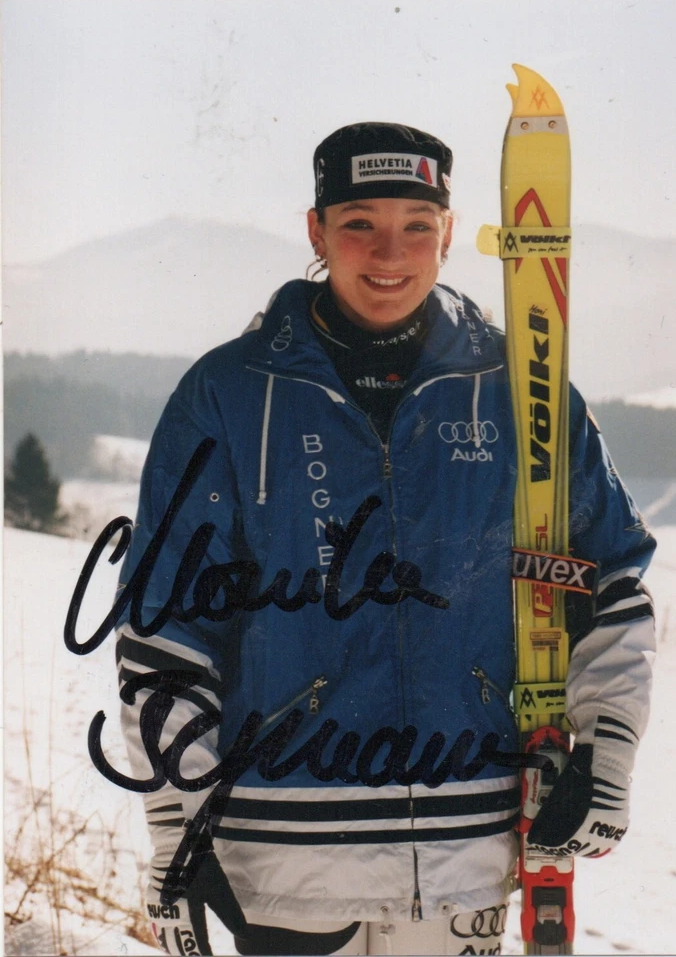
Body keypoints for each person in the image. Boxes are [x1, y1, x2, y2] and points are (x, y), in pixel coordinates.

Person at [115, 123, 656, 956]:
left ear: (449, 231)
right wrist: (172, 828)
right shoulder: (227, 394)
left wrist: (608, 755)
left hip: (467, 846)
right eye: (359, 222)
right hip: (282, 852)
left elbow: (610, 578)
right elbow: (167, 628)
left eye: (417, 224)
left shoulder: (521, 389)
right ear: (316, 231)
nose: (389, 253)